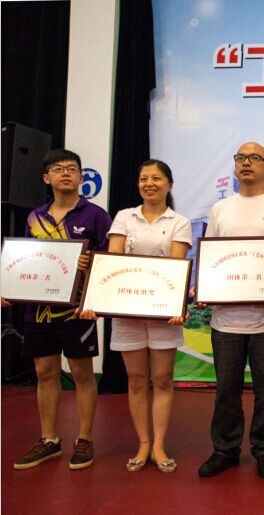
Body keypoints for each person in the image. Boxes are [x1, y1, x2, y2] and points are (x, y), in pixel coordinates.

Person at [197, 142, 264, 479]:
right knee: (226, 391)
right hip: (226, 321)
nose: (246, 163)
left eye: (255, 158)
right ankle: (225, 449)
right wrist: (204, 286)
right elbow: (211, 256)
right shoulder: (220, 209)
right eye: (241, 157)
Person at [81, 160, 192, 472]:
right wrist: (98, 300)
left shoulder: (179, 222)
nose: (149, 183)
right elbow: (113, 262)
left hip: (162, 314)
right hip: (127, 310)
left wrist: (176, 305)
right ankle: (143, 443)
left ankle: (159, 445)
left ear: (169, 185)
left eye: (156, 178)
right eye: (144, 178)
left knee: (163, 379)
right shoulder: (124, 217)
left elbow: (176, 267)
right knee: (137, 379)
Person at [9, 149, 112, 471]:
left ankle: (84, 439)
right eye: (58, 168)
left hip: (76, 311)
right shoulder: (34, 217)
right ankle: (49, 439)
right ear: (46, 178)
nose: (65, 173)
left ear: (81, 177)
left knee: (81, 374)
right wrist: (9, 287)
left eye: (72, 168)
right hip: (39, 309)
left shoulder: (96, 215)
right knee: (44, 372)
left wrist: (91, 263)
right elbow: (26, 260)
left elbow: (109, 262)